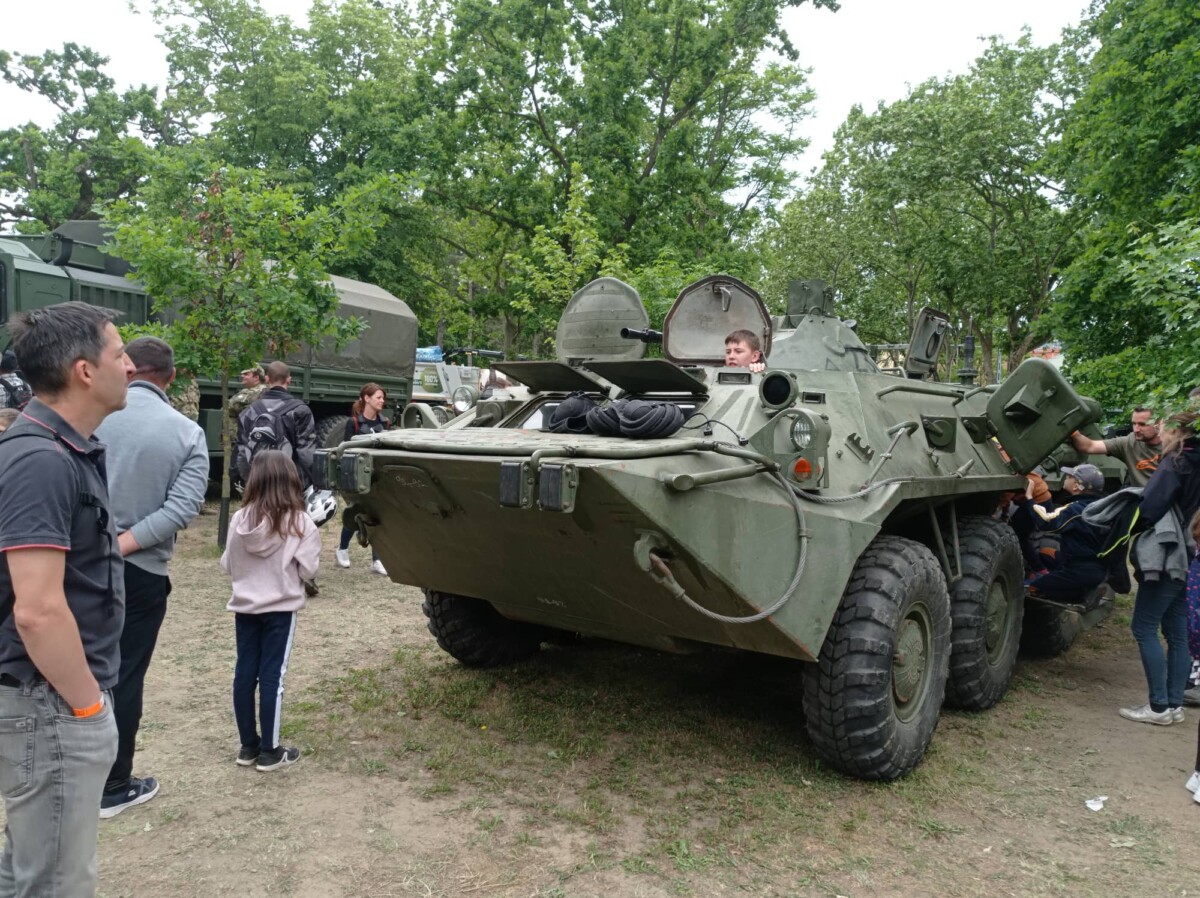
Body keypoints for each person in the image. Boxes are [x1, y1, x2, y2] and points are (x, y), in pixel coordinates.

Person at [0, 301, 133, 896]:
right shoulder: (41, 460)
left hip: (47, 701)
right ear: (84, 371)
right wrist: (86, 707)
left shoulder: (57, 449)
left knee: (28, 868)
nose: (130, 366)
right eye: (119, 353)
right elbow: (37, 610)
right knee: (55, 882)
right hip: (49, 704)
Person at [93, 336, 208, 818]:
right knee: (125, 675)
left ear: (127, 367)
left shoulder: (89, 417)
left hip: (73, 564)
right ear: (171, 377)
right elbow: (182, 509)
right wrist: (124, 544)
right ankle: (113, 785)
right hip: (140, 571)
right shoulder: (187, 433)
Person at [220, 450, 319, 771]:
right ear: (291, 480)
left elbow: (228, 564)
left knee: (244, 673)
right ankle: (271, 751)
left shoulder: (239, 519)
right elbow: (308, 570)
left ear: (254, 479)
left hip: (245, 607)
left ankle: (248, 746)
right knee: (272, 676)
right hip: (280, 609)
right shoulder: (300, 522)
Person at [1119, 411, 1200, 726]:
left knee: (1144, 626)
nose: (1161, 432)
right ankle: (1174, 704)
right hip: (1191, 553)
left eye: (1164, 426)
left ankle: (1158, 707)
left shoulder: (1176, 462)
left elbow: (1150, 507)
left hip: (1169, 553)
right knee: (1177, 631)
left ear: (1178, 431)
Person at [1026, 464, 1107, 604]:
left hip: (1080, 570)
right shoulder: (1101, 506)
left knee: (1032, 587)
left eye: (1069, 477)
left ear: (1076, 486)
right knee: (1045, 553)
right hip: (1096, 565)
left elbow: (1048, 523)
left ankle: (1080, 594)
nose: (1066, 478)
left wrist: (1029, 498)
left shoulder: (1075, 509)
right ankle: (1080, 587)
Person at [236, 361, 317, 489]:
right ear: (289, 380)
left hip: (259, 483)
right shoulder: (300, 410)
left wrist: (251, 481)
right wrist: (313, 483)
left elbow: (242, 453)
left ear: (267, 379)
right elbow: (306, 454)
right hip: (289, 485)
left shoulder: (248, 412)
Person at [335, 383, 389, 576]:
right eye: (378, 397)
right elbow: (347, 449)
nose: (382, 401)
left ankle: (377, 559)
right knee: (356, 513)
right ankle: (342, 549)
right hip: (358, 476)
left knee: (377, 517)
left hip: (377, 476)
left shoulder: (385, 423)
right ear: (367, 398)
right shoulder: (354, 423)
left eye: (383, 398)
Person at [1070, 407, 1163, 486]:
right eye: (1134, 424)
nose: (1136, 429)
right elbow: (1089, 446)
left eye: (1142, 424)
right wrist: (1072, 430)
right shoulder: (1129, 443)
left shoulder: (1170, 446)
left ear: (1158, 424)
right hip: (1142, 499)